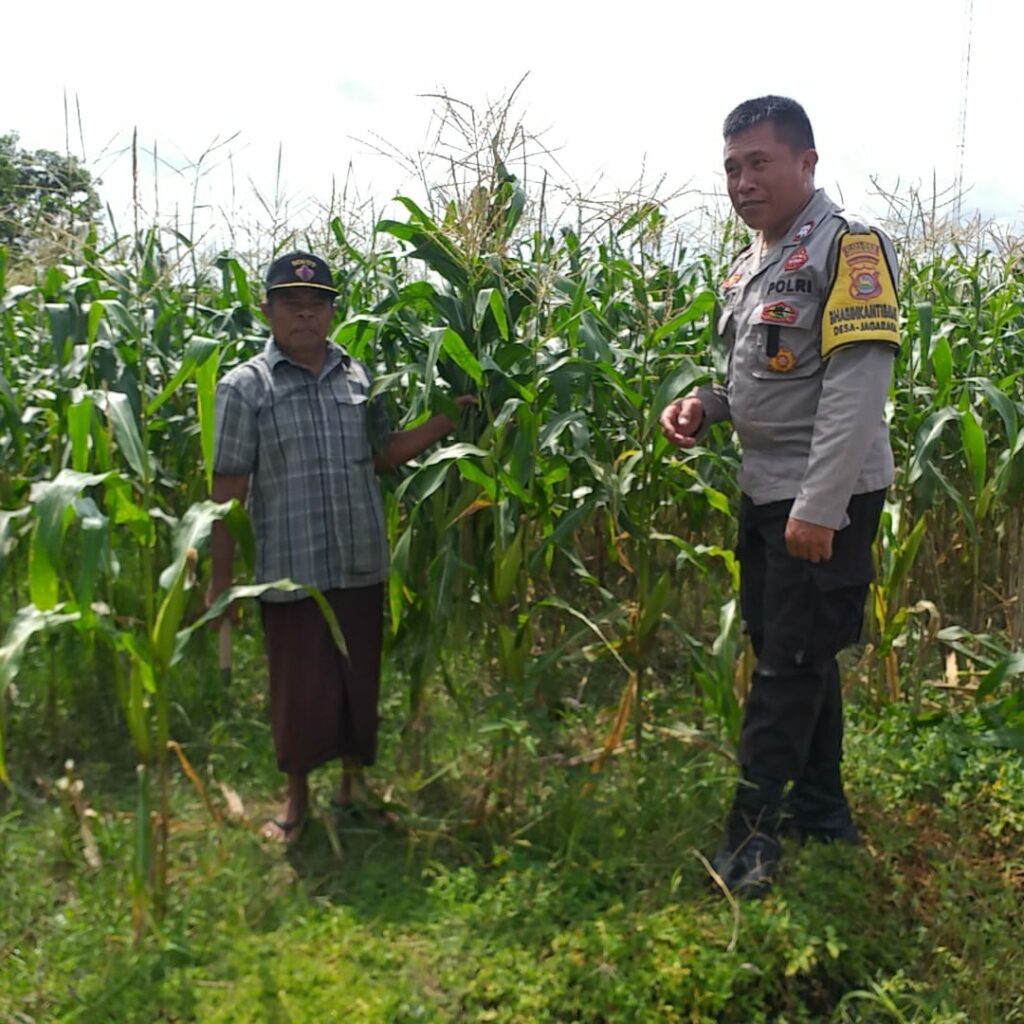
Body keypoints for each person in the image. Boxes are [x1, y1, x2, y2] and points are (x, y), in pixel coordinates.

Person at [659, 96, 900, 894]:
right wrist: (705, 403)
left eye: (758, 162)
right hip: (766, 492)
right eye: (731, 166)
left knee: (785, 669)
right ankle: (822, 808)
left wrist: (819, 507)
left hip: (819, 495)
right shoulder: (750, 265)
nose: (741, 180)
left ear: (806, 162)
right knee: (796, 652)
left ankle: (752, 840)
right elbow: (757, 376)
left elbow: (856, 389)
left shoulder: (850, 249)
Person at [209, 250, 472, 844]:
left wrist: (441, 424)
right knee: (298, 688)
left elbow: (381, 453)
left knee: (358, 683)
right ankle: (297, 802)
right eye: (290, 304)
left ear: (331, 311)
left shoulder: (358, 376)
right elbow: (227, 491)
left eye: (316, 304)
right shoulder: (245, 387)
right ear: (267, 311)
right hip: (291, 569)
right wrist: (219, 581)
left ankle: (354, 790)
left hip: (358, 560)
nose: (304, 315)